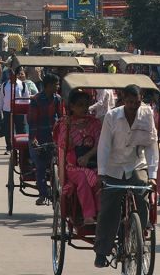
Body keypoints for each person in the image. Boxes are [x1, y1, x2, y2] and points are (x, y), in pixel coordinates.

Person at [94, 84, 158, 268]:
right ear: (123, 99)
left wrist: (153, 175)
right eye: (129, 102)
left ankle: (140, 231)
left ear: (141, 99)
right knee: (109, 209)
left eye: (136, 102)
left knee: (143, 190)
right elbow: (104, 146)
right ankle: (102, 251)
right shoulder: (112, 116)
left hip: (136, 164)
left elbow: (152, 147)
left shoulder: (147, 114)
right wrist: (101, 173)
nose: (133, 106)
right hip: (113, 168)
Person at [54, 90, 103, 223]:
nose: (84, 108)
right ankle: (88, 215)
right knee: (83, 178)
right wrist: (69, 128)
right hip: (73, 167)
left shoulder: (95, 123)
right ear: (72, 107)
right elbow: (64, 145)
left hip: (94, 163)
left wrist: (88, 156)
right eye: (80, 105)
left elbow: (100, 143)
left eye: (86, 105)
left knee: (103, 178)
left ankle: (102, 213)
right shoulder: (65, 123)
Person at [27, 73, 62, 206]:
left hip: (53, 136)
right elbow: (32, 122)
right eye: (56, 84)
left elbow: (61, 118)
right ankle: (42, 194)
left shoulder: (58, 99)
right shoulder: (36, 100)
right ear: (48, 86)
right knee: (41, 166)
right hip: (38, 136)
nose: (57, 87)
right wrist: (33, 139)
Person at [1, 65, 25, 153]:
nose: (11, 75)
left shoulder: (22, 84)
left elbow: (26, 99)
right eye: (10, 73)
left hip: (19, 110)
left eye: (13, 73)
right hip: (7, 110)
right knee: (8, 130)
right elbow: (1, 99)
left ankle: (20, 148)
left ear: (17, 75)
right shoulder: (4, 85)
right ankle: (9, 147)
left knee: (20, 129)